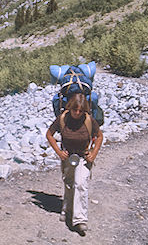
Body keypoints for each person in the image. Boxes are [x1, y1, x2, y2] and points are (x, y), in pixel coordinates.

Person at [46, 93, 103, 235]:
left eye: (81, 111)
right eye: (75, 110)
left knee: (81, 184)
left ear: (85, 110)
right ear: (70, 107)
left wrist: (94, 153)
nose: (77, 113)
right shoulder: (62, 119)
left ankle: (80, 220)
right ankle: (67, 209)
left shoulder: (89, 120)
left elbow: (100, 136)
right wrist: (59, 152)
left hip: (83, 156)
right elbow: (49, 134)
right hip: (67, 156)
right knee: (70, 183)